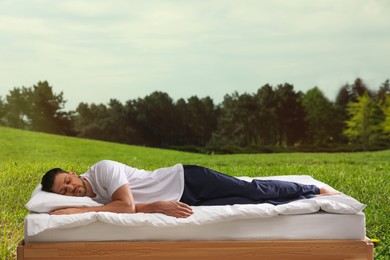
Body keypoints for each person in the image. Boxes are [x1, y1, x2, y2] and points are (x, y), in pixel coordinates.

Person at [41, 160, 339, 218]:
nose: (72, 190)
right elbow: (124, 206)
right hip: (185, 199)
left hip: (189, 180)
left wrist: (74, 210)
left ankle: (312, 190)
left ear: (71, 173)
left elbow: (126, 207)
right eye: (64, 193)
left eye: (68, 183)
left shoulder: (102, 169)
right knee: (242, 201)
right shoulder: (94, 199)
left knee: (252, 191)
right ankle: (302, 196)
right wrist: (158, 205)